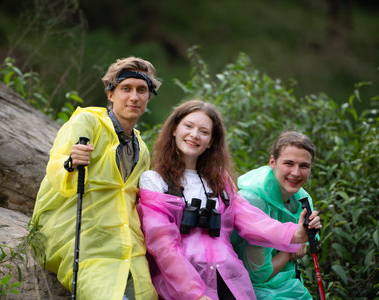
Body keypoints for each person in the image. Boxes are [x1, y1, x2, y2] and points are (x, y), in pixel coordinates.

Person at [137, 100, 322, 300]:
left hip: (229, 281)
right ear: (174, 130)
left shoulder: (219, 179)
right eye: (188, 126)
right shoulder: (154, 181)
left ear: (211, 141)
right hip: (183, 289)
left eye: (204, 131)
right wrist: (195, 294)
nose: (194, 135)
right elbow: (163, 246)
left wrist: (296, 233)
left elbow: (252, 221)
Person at [32, 56, 162, 300]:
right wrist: (72, 162)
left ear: (148, 97)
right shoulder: (87, 121)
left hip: (126, 245)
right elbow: (57, 167)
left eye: (141, 90)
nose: (134, 97)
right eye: (126, 88)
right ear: (111, 94)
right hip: (82, 238)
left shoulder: (142, 148)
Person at [231, 131, 319, 299]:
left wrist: (307, 238)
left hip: (288, 284)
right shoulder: (254, 200)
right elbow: (258, 275)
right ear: (273, 162)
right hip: (250, 290)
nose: (296, 173)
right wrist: (290, 248)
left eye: (304, 166)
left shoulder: (303, 199)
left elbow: (310, 242)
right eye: (289, 163)